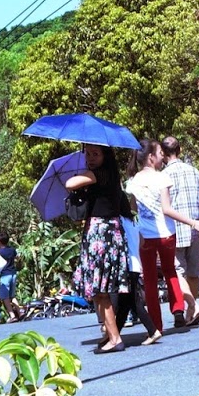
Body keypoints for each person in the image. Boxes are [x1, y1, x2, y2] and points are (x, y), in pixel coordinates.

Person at [125, 139, 199, 341]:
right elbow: (167, 209)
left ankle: (156, 325)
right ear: (151, 157)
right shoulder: (162, 178)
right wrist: (193, 222)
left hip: (145, 237)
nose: (162, 157)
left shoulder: (133, 182)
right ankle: (178, 310)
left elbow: (134, 208)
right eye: (159, 153)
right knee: (170, 272)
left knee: (149, 280)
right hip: (166, 234)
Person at [65, 144, 134, 352]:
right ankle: (109, 334)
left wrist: (82, 174)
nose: (91, 158)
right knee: (98, 290)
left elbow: (69, 183)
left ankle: (114, 338)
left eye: (96, 154)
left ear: (106, 155)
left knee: (100, 290)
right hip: (107, 232)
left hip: (101, 235)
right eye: (87, 154)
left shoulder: (99, 174)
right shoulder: (110, 175)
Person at [159, 135, 199, 327]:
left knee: (175, 271)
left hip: (173, 229)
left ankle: (192, 307)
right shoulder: (194, 171)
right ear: (179, 150)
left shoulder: (163, 176)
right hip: (195, 228)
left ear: (163, 154)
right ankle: (191, 309)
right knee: (193, 272)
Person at [0, 231, 24, 322]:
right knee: (12, 296)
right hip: (13, 274)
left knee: (5, 297)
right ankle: (20, 312)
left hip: (5, 276)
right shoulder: (12, 250)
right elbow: (17, 258)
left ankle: (12, 315)